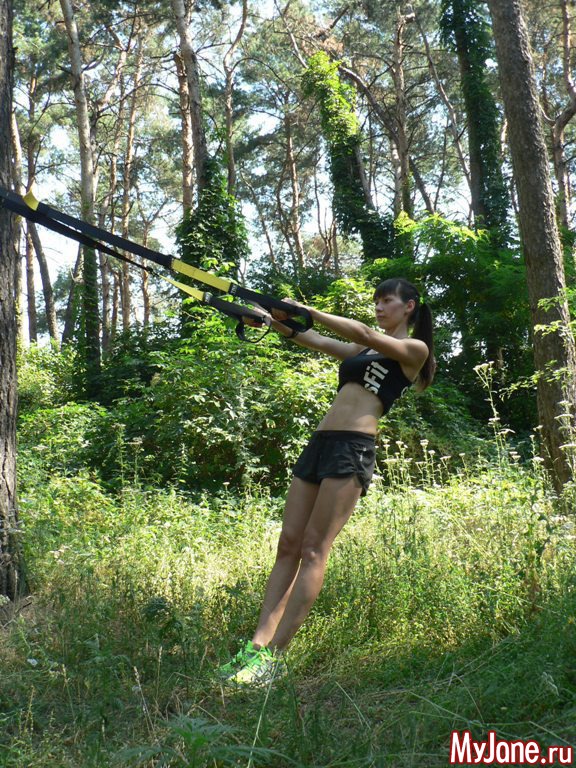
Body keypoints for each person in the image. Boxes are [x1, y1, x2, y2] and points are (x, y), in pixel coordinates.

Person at [219, 277, 435, 685]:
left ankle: (274, 659)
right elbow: (316, 341)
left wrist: (306, 311)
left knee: (314, 549)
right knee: (289, 544)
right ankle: (256, 648)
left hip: (352, 448)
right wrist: (273, 321)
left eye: (387, 301)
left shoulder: (414, 350)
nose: (379, 307)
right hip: (320, 443)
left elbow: (363, 332)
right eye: (376, 301)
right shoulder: (365, 352)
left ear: (409, 307)